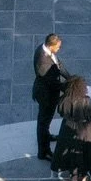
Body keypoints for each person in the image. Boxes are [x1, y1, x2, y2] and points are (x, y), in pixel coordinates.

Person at [52, 74, 91, 181]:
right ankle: (83, 174)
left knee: (71, 151)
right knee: (84, 151)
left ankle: (74, 176)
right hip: (85, 130)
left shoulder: (64, 99)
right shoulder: (87, 101)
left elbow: (61, 111)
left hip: (68, 128)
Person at [32, 33, 67, 161]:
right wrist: (69, 87)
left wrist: (70, 78)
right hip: (46, 96)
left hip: (50, 93)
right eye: (57, 47)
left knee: (46, 121)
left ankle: (47, 136)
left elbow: (59, 65)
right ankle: (43, 151)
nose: (59, 49)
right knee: (43, 123)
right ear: (51, 46)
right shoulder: (43, 62)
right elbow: (53, 83)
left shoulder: (45, 50)